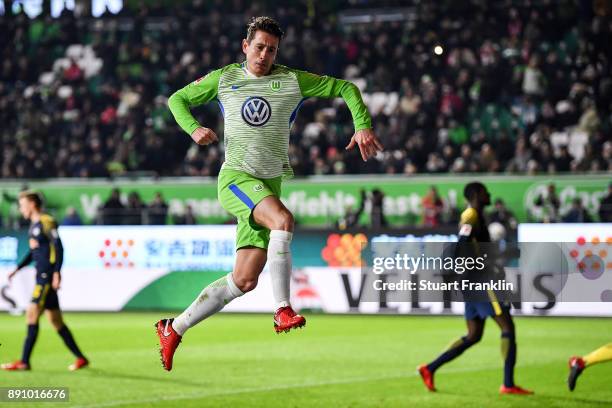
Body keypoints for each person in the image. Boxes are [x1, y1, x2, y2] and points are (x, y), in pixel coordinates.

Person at [157, 16, 383, 371]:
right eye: (259, 47)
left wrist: (363, 125)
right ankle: (283, 310)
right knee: (284, 219)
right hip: (235, 179)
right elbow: (176, 100)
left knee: (244, 280)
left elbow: (346, 88)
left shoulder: (291, 80)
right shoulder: (225, 78)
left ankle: (174, 328)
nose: (264, 54)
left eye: (271, 49)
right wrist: (194, 129)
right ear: (245, 46)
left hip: (268, 185)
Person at [418, 182, 532, 395]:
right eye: (486, 192)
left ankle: (429, 368)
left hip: (472, 282)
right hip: (481, 282)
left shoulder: (476, 215)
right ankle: (508, 384)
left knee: (473, 335)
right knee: (507, 327)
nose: (489, 194)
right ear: (478, 194)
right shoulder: (470, 215)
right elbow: (462, 243)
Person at [1, 191, 88, 371]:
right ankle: (81, 358)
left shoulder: (46, 221)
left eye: (22, 204)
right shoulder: (33, 226)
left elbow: (59, 247)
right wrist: (17, 269)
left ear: (32, 204)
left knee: (32, 313)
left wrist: (56, 273)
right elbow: (34, 253)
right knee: (56, 321)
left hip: (45, 276)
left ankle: (24, 361)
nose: (20, 208)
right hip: (41, 275)